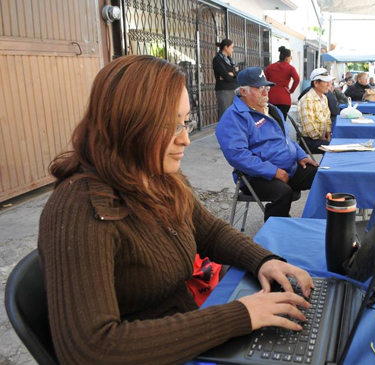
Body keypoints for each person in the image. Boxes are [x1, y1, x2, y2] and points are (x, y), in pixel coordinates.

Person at [38, 55, 314, 365]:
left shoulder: (157, 175)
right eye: (171, 125)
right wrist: (241, 315)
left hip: (187, 327)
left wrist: (262, 260)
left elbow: (208, 230)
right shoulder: (80, 210)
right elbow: (92, 349)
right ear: (128, 124)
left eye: (186, 122)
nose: (185, 139)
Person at [216, 67, 318, 222]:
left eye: (267, 87)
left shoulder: (272, 109)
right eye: (259, 88)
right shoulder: (234, 117)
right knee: (283, 193)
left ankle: (319, 225)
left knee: (322, 175)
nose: (266, 92)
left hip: (288, 167)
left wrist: (301, 156)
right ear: (244, 92)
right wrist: (273, 171)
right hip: (256, 176)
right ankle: (274, 237)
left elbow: (286, 139)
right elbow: (237, 155)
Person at [297, 68, 335, 154]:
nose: (329, 85)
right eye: (326, 82)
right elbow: (310, 130)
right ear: (316, 83)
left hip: (322, 137)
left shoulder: (324, 98)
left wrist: (328, 135)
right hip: (310, 140)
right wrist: (325, 139)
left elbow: (328, 119)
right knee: (334, 148)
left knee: (337, 143)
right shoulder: (307, 100)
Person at [265, 46, 300, 120]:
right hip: (284, 99)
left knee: (272, 120)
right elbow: (297, 79)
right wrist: (291, 91)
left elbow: (265, 81)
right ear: (287, 58)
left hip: (271, 97)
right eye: (290, 57)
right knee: (282, 121)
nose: (291, 59)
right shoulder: (290, 68)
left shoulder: (270, 67)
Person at [213, 39, 239, 120]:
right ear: (226, 47)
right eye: (231, 47)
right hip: (224, 90)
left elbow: (238, 73)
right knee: (225, 114)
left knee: (233, 114)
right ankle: (223, 132)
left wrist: (232, 74)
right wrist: (233, 74)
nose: (233, 50)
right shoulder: (217, 59)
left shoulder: (231, 61)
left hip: (233, 89)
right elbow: (226, 76)